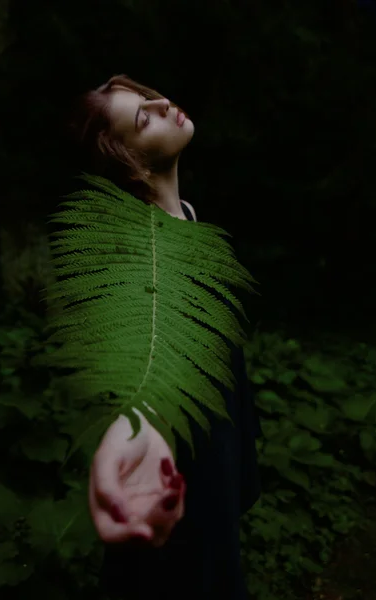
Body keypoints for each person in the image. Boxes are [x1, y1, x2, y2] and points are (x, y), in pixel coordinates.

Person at [68, 74, 263, 599]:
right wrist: (137, 429)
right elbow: (148, 352)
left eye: (150, 97)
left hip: (217, 477)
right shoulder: (138, 259)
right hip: (180, 501)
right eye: (142, 117)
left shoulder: (190, 223)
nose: (162, 103)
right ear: (125, 160)